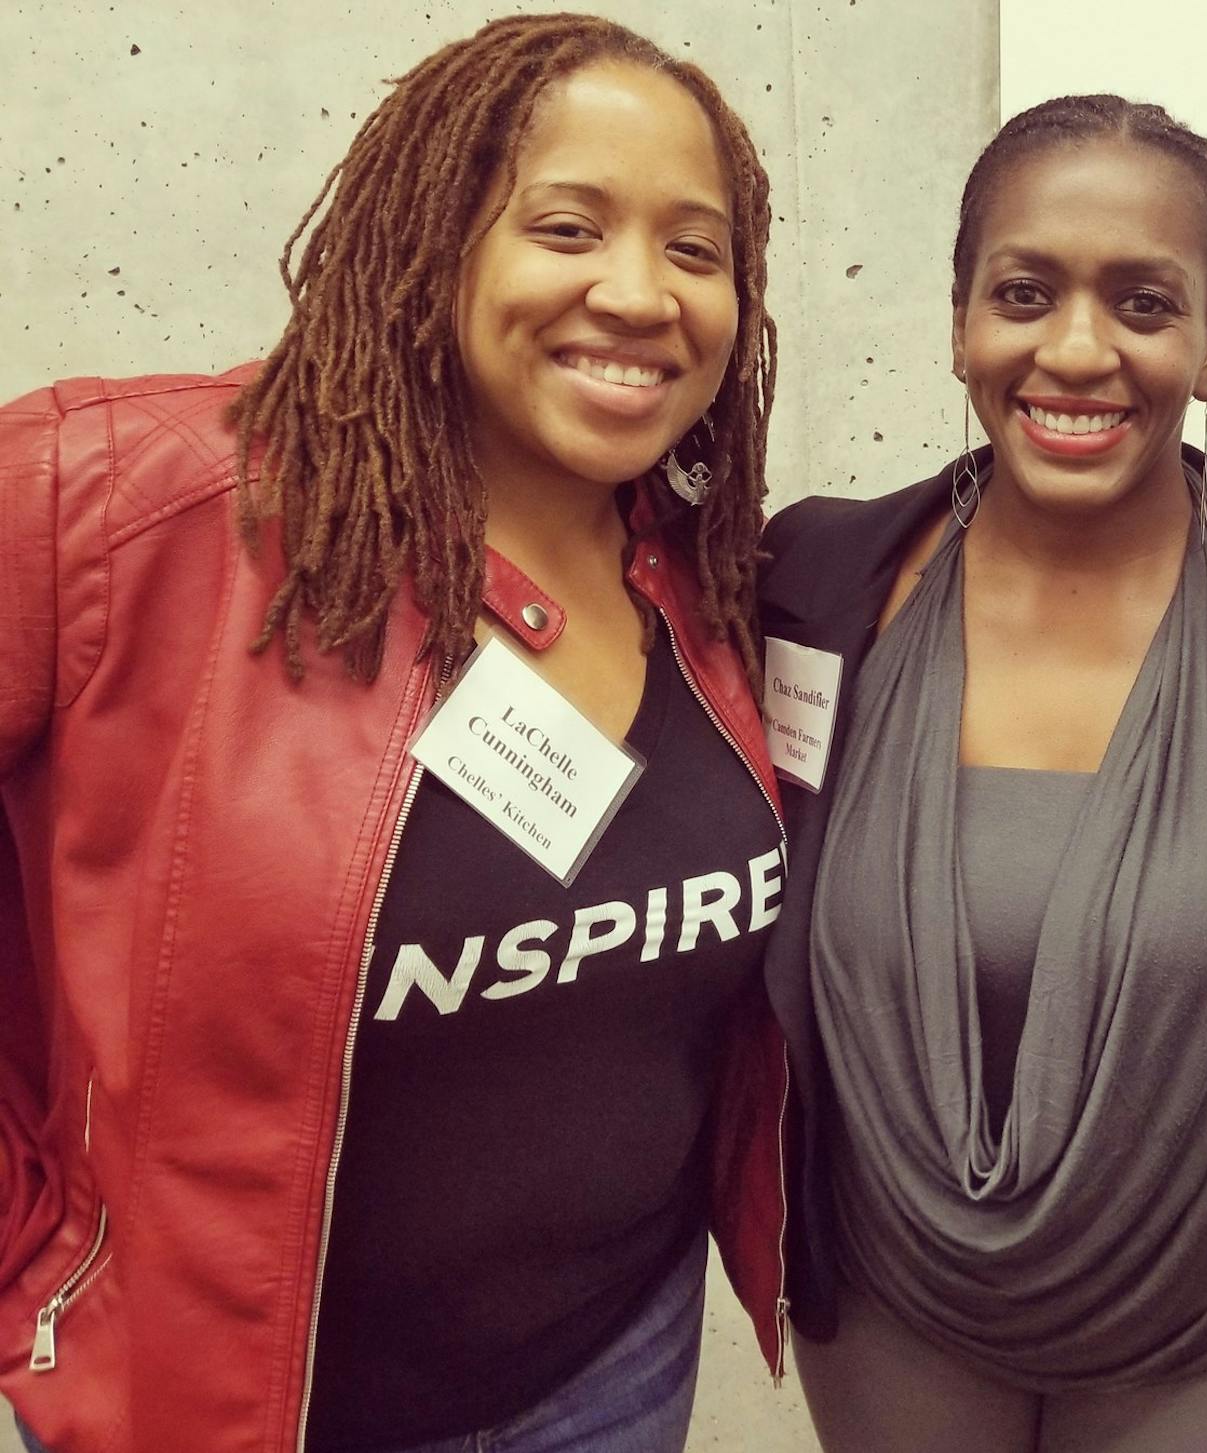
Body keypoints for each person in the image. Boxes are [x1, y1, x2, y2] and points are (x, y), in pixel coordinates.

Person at [0, 16, 794, 1452]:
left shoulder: (722, 588)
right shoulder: (125, 509)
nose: (639, 292)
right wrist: (35, 1252)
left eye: (696, 249)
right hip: (231, 1417)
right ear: (431, 237)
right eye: (568, 225)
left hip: (614, 1370)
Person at [753, 95, 1207, 1451]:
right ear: (961, 319)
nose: (1077, 350)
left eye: (1144, 302)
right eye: (1024, 293)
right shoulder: (813, 583)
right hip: (889, 1317)